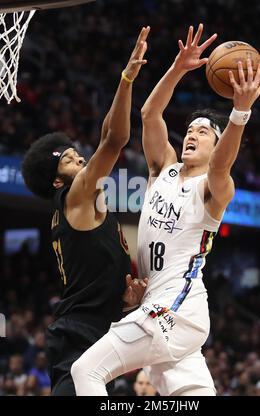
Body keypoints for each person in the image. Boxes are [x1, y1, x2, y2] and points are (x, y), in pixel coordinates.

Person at [71, 23, 260, 396]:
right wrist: (178, 68)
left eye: (204, 132)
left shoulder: (212, 188)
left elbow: (222, 165)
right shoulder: (164, 168)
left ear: (217, 143)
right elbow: (149, 114)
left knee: (86, 372)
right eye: (190, 130)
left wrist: (240, 113)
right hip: (162, 308)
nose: (192, 134)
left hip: (175, 310)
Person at [21, 26, 150, 396]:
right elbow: (116, 139)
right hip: (79, 336)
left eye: (71, 147)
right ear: (56, 181)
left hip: (96, 330)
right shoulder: (76, 196)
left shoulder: (82, 202)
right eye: (63, 157)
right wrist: (127, 78)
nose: (75, 153)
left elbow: (108, 128)